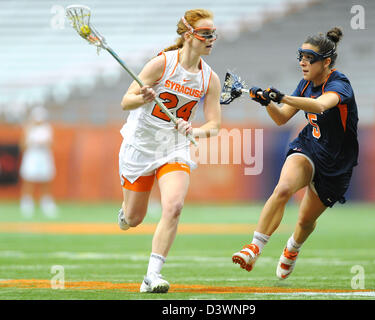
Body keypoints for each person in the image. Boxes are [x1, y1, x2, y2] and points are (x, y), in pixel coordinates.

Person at [232, 27, 359, 280]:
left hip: (336, 162)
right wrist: (268, 102)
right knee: (283, 189)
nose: (302, 61)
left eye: (308, 57)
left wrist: (283, 97)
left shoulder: (339, 83)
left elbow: (321, 105)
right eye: (300, 55)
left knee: (304, 222)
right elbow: (281, 119)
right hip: (309, 146)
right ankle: (254, 247)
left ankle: (292, 249)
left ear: (326, 62)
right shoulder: (305, 83)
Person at [117, 9, 221, 293]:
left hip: (174, 148)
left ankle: (152, 275)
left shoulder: (209, 79)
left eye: (214, 33)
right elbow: (126, 102)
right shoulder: (161, 64)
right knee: (134, 219)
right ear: (188, 35)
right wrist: (142, 96)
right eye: (206, 34)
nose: (212, 39)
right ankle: (125, 214)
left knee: (174, 206)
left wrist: (194, 131)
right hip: (141, 145)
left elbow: (214, 125)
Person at [19, 106, 57, 218]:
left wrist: (44, 143)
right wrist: (32, 142)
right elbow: (22, 145)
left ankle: (46, 202)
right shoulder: (28, 128)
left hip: (44, 157)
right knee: (29, 179)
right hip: (32, 157)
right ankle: (27, 203)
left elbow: (52, 144)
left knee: (46, 179)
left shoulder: (47, 128)